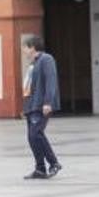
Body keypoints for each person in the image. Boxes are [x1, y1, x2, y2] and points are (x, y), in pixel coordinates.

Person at [22, 36, 61, 180]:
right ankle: (40, 168)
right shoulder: (33, 63)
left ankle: (54, 163)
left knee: (36, 134)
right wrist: (26, 106)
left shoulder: (46, 59)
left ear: (32, 47)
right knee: (32, 137)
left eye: (25, 48)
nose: (24, 51)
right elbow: (29, 86)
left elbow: (51, 81)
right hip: (31, 106)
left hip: (41, 105)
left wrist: (48, 102)